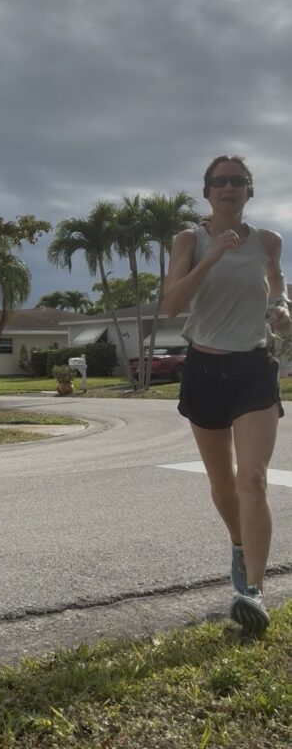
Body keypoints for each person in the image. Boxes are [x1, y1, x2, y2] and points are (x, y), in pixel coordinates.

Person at [164, 155, 289, 636]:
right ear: (208, 191)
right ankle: (239, 545)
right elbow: (172, 304)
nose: (229, 186)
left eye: (238, 180)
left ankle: (253, 592)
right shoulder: (189, 240)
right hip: (203, 368)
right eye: (220, 180)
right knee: (222, 484)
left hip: (253, 368)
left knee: (252, 478)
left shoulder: (269, 241)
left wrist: (282, 307)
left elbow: (277, 281)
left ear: (249, 190)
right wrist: (212, 255)